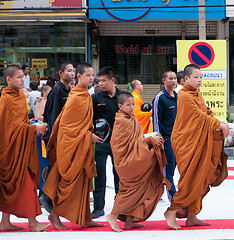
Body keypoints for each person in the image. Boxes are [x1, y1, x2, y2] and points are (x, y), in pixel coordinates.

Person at [164, 64, 229, 230]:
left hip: (198, 141)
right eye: (196, 77)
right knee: (190, 179)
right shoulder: (184, 95)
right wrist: (219, 124)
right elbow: (198, 116)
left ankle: (192, 216)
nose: (199, 80)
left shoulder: (196, 94)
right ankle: (172, 210)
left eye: (201, 77)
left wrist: (220, 122)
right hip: (186, 142)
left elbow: (206, 112)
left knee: (201, 179)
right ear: (186, 79)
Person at [43, 62, 105, 230]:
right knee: (69, 183)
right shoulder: (76, 97)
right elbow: (66, 126)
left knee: (84, 182)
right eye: (88, 75)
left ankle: (85, 217)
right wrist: (87, 136)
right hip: (74, 146)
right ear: (79, 76)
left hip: (82, 146)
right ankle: (54, 215)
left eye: (93, 75)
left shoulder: (84, 95)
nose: (91, 78)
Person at [106, 92, 170, 232]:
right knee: (128, 190)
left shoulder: (132, 118)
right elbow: (121, 144)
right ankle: (113, 215)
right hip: (127, 161)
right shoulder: (122, 120)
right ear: (120, 106)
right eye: (128, 105)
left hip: (135, 157)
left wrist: (148, 140)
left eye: (133, 104)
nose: (131, 107)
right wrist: (150, 140)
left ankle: (130, 220)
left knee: (140, 188)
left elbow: (136, 139)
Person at [0, 65, 49, 232]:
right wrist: (34, 129)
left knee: (19, 184)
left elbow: (19, 124)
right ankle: (33, 222)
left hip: (20, 147)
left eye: (23, 76)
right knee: (26, 183)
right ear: (9, 80)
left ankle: (5, 222)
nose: (23, 79)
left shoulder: (20, 97)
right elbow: (9, 128)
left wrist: (33, 126)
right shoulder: (6, 99)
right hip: (11, 149)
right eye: (19, 77)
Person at [39, 61, 74, 212]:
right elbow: (53, 118)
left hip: (65, 137)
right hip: (57, 138)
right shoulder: (57, 91)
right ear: (60, 73)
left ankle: (51, 197)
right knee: (55, 169)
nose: (72, 73)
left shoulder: (68, 90)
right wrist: (56, 140)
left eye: (73, 71)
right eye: (69, 71)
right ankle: (45, 196)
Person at [91, 66, 122, 219]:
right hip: (101, 143)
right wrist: (90, 135)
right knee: (99, 176)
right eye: (99, 81)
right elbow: (89, 120)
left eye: (104, 80)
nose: (101, 83)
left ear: (113, 80)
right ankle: (98, 209)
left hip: (119, 144)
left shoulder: (123, 97)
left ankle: (120, 207)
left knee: (120, 177)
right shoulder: (96, 98)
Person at [152, 70, 178, 201]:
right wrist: (158, 140)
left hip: (179, 139)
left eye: (174, 78)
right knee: (169, 168)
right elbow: (156, 120)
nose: (173, 81)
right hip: (166, 138)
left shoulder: (178, 97)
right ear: (164, 81)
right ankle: (172, 197)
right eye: (170, 78)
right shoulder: (160, 98)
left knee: (177, 167)